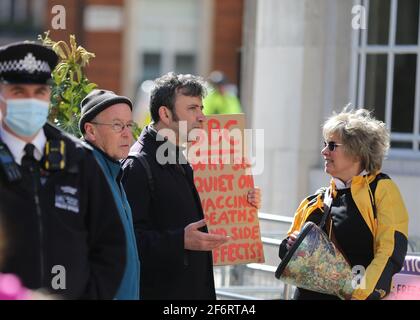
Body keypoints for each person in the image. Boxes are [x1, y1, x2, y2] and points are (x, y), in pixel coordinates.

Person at [0, 41, 126, 299]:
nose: (31, 101)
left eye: (39, 92)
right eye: (19, 92)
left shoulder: (78, 159)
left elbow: (110, 245)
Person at [122, 72, 261, 299]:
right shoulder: (138, 165)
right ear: (165, 114)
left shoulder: (179, 157)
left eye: (202, 108)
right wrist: (179, 240)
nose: (202, 117)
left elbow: (195, 215)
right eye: (192, 109)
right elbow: (127, 241)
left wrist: (243, 202)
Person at [278, 108, 409, 300]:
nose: (324, 151)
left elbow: (389, 254)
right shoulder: (316, 199)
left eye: (332, 146)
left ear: (357, 152)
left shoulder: (382, 190)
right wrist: (291, 245)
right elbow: (286, 253)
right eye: (324, 144)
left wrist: (359, 294)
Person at [79, 89, 140, 300]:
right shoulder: (85, 174)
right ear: (90, 130)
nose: (127, 133)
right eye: (117, 125)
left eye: (129, 125)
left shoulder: (114, 170)